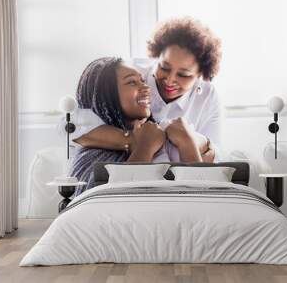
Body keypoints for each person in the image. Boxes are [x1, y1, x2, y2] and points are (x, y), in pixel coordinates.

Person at [65, 17, 223, 162]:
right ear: (157, 56)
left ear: (200, 75)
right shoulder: (131, 70)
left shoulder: (207, 97)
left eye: (183, 75)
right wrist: (134, 140)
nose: (169, 80)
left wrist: (193, 141)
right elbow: (69, 127)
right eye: (164, 67)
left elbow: (215, 158)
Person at [69, 57, 202, 196]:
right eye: (132, 82)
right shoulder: (91, 154)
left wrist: (187, 142)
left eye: (142, 81)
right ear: (106, 93)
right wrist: (145, 148)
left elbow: (202, 198)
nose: (145, 87)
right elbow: (107, 207)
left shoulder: (167, 134)